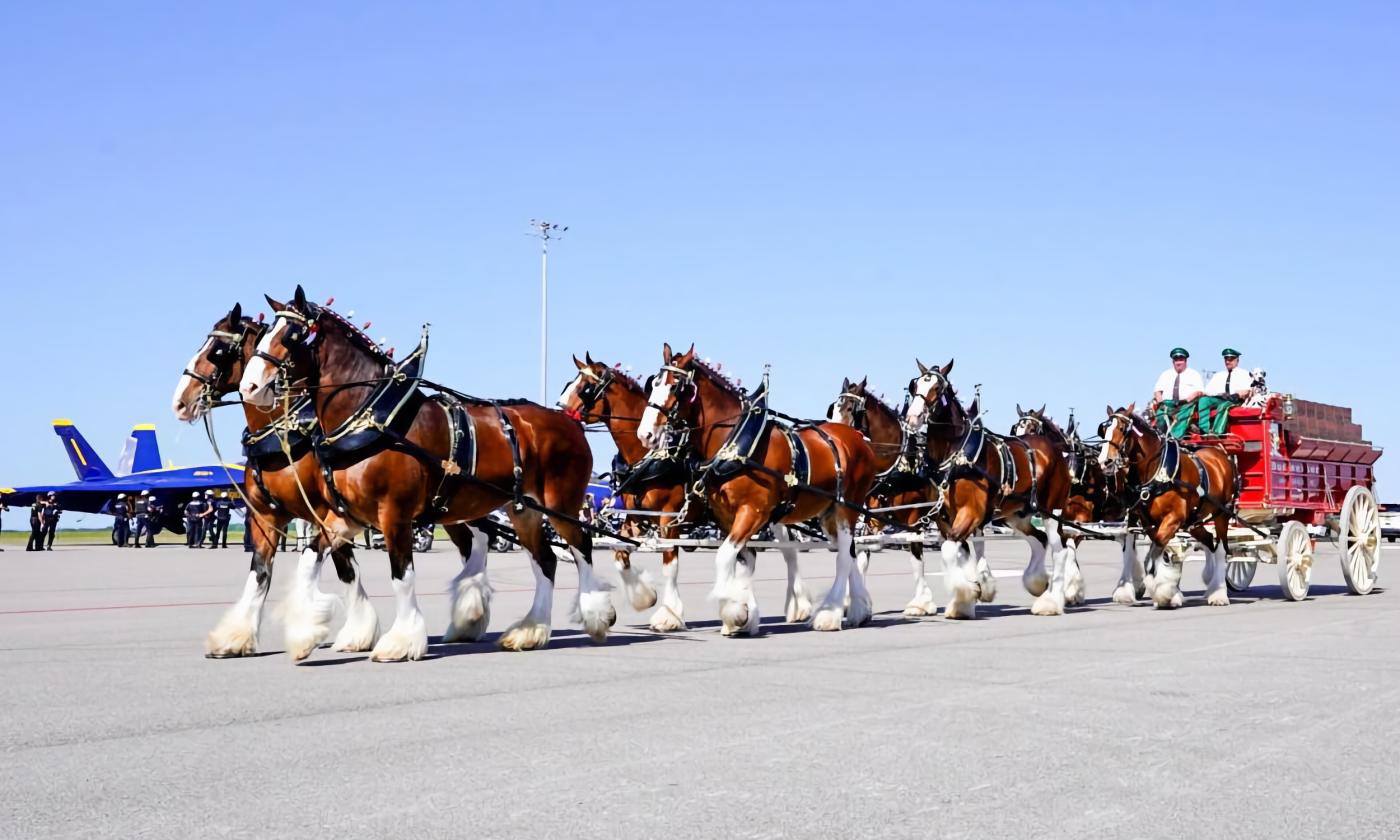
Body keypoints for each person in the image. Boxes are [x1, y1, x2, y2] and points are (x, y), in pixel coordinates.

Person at [1150, 347, 1205, 438]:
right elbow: (1157, 391)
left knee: (1182, 415)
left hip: (1186, 404)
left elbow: (1200, 391)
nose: (1178, 362)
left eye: (1181, 359)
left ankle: (1175, 437)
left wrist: (1189, 399)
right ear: (1173, 362)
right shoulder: (1166, 374)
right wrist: (1160, 402)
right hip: (1168, 404)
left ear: (1185, 361)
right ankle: (1160, 437)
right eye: (1176, 360)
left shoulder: (1194, 374)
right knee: (1160, 415)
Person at [1199, 347, 1251, 434]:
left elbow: (1247, 390)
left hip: (1236, 400)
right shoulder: (1219, 375)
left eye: (1231, 359)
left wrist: (1236, 395)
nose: (1228, 362)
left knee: (1223, 406)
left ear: (1237, 360)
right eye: (1226, 359)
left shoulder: (1244, 374)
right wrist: (1220, 394)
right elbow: (1207, 391)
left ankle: (1217, 432)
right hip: (1221, 398)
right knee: (1203, 400)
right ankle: (1203, 430)